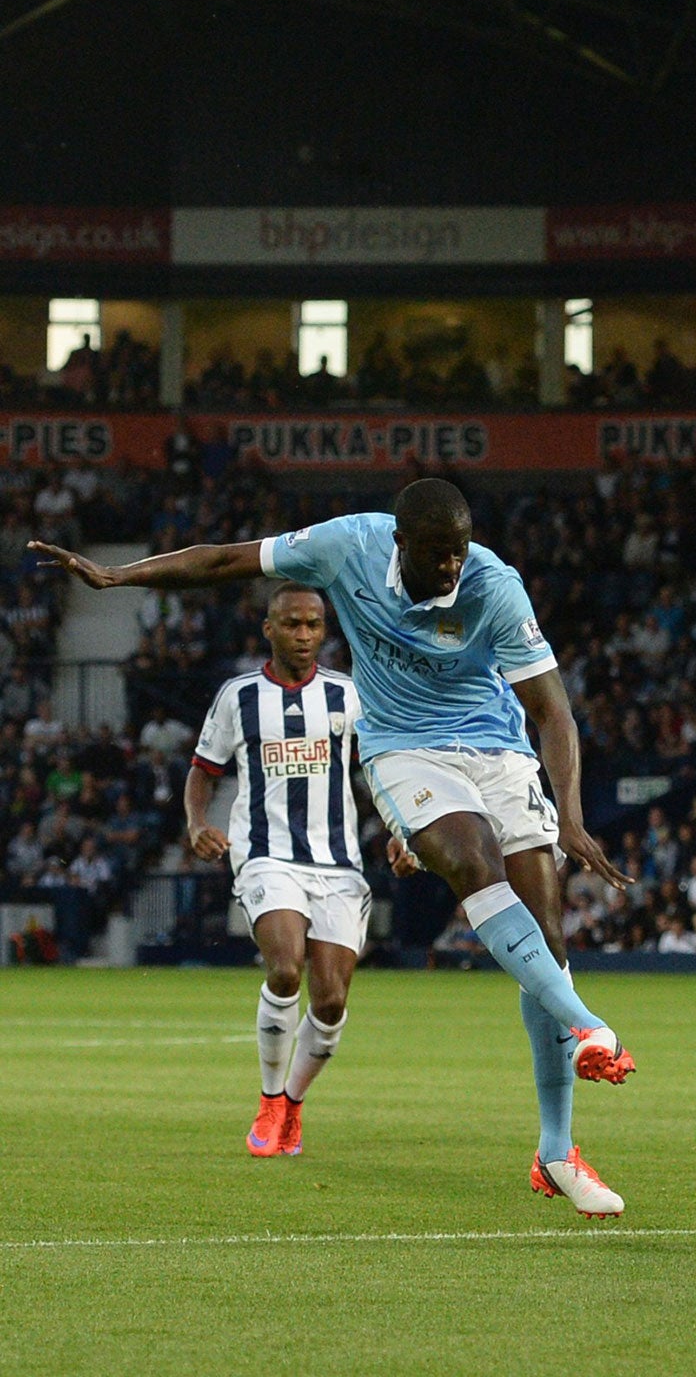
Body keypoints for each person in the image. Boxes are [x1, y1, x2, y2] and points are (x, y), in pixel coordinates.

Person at [35, 478, 638, 1217]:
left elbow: (552, 710)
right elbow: (227, 561)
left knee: (548, 938)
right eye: (438, 555)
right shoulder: (345, 545)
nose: (453, 568)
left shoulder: (496, 586)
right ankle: (585, 1024)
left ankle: (555, 1152)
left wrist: (570, 816)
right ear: (400, 544)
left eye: (460, 553)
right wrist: (119, 574)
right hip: (404, 751)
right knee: (470, 864)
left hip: (497, 750)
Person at [186, 584, 369, 1158]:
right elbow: (203, 770)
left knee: (332, 1000)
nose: (305, 635)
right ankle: (268, 1101)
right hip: (266, 854)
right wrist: (196, 823)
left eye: (314, 625)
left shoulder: (346, 694)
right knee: (286, 969)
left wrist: (404, 833)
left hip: (339, 862)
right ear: (269, 628)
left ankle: (292, 1103)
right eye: (293, 624)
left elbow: (381, 769)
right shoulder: (238, 697)